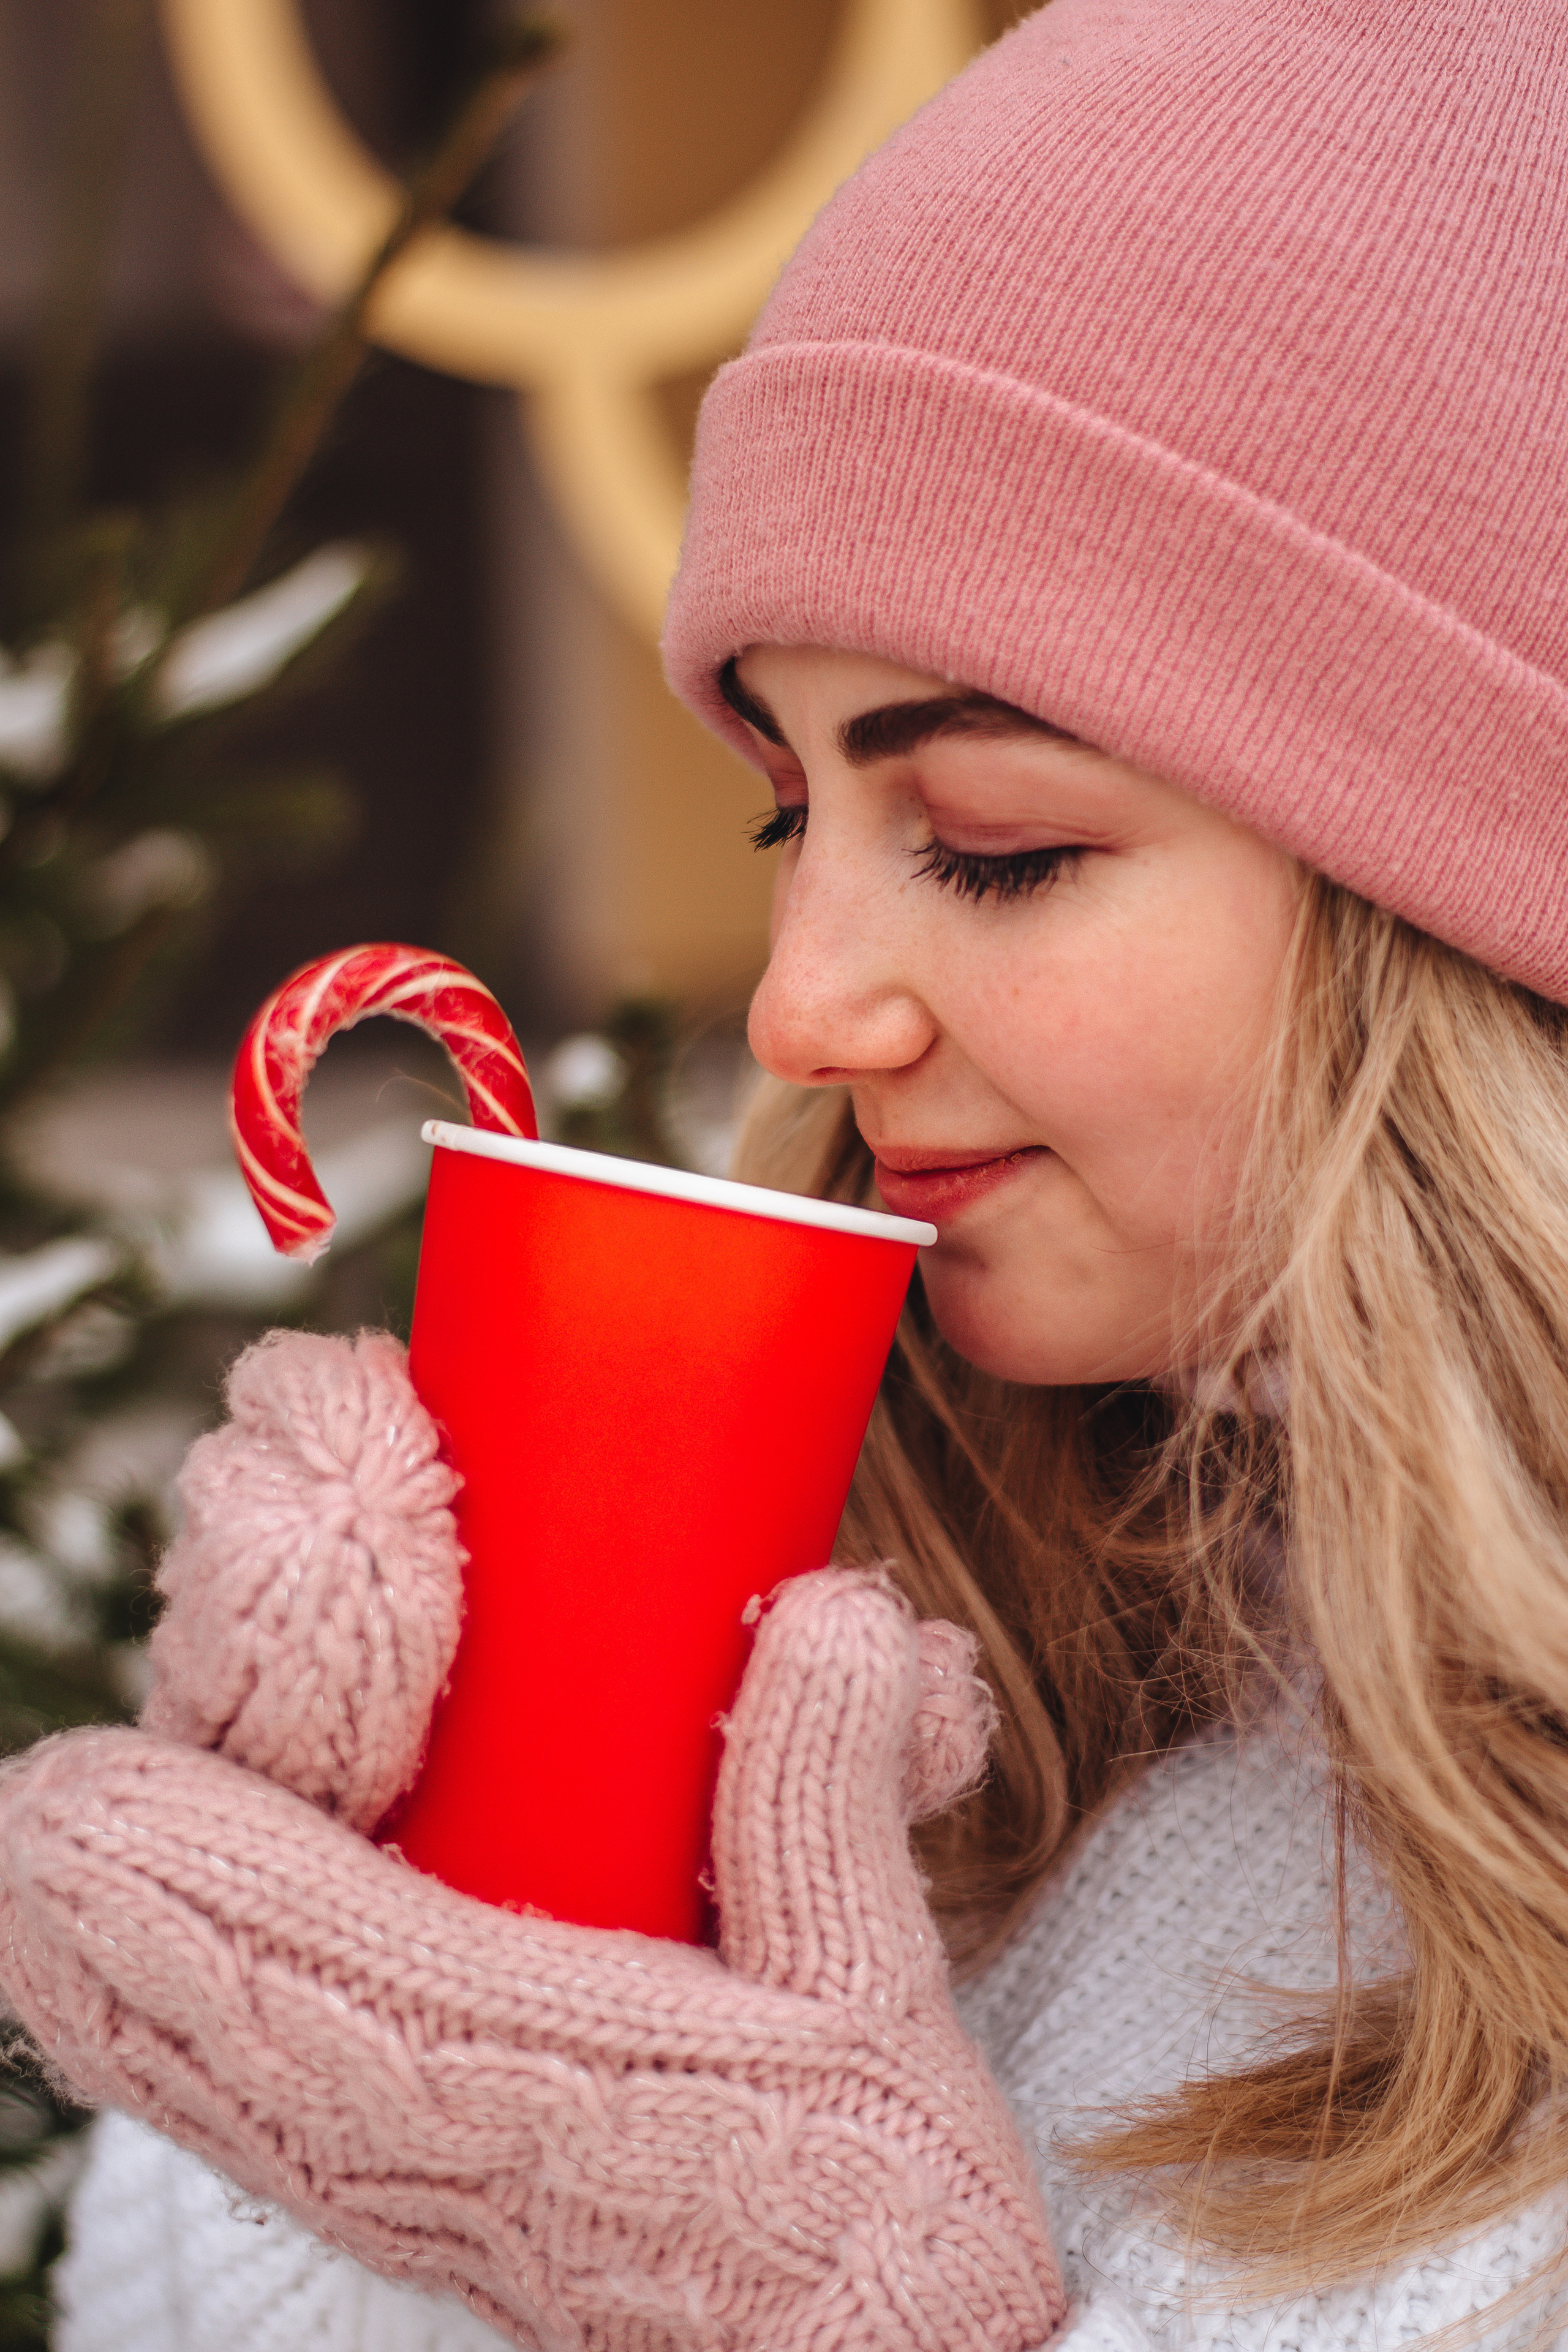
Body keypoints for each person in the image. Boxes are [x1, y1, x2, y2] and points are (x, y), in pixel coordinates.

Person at [12, 0, 1568, 2343]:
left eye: (993, 843)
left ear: (1466, 913)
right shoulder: (926, 1645)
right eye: (788, 814)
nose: (799, 1009)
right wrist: (430, 1946)